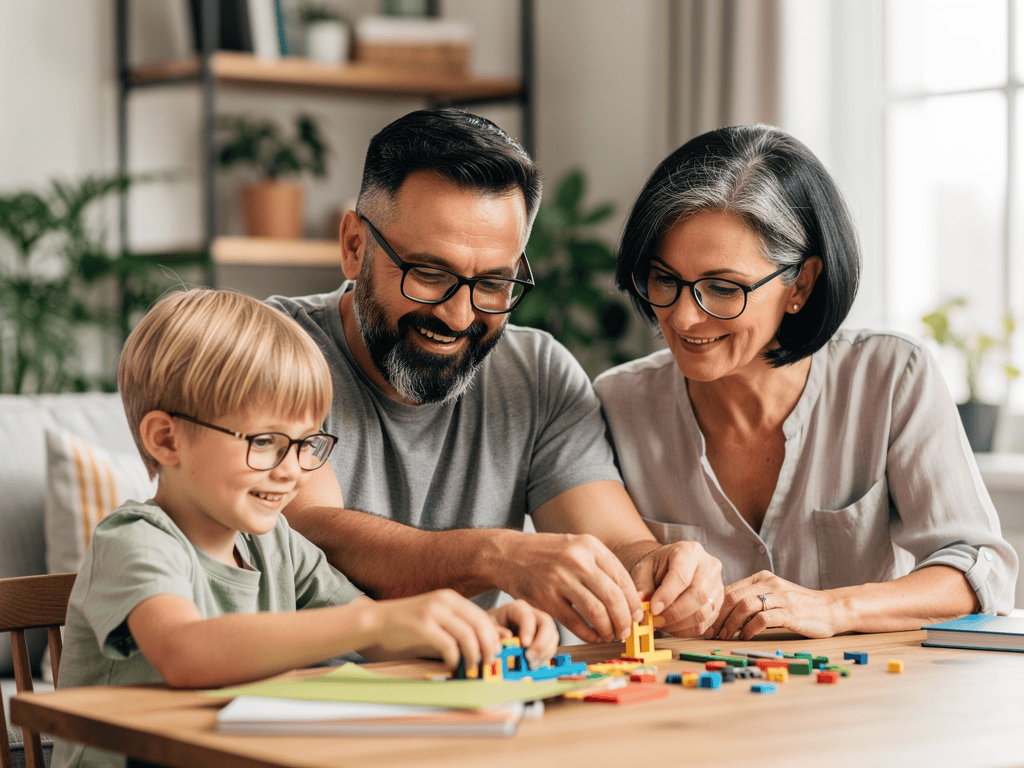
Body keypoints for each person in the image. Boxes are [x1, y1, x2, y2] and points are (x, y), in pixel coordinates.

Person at [269, 108, 725, 644]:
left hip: (473, 704)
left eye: (492, 284)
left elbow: (613, 544)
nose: (459, 317)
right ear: (354, 246)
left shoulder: (537, 373)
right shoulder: (269, 348)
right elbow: (310, 528)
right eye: (429, 273)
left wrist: (660, 570)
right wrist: (497, 556)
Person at [53, 289, 558, 768]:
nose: (294, 469)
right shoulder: (135, 540)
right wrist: (379, 621)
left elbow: (383, 639)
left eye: (306, 444)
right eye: (267, 442)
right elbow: (187, 653)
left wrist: (475, 632)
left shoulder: (277, 546)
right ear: (166, 439)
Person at [594, 124, 1018, 641]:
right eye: (664, 279)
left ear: (801, 284)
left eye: (722, 288)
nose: (682, 318)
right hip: (690, 711)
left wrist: (832, 608)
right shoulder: (616, 402)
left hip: (862, 706)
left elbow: (979, 572)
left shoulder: (890, 378)